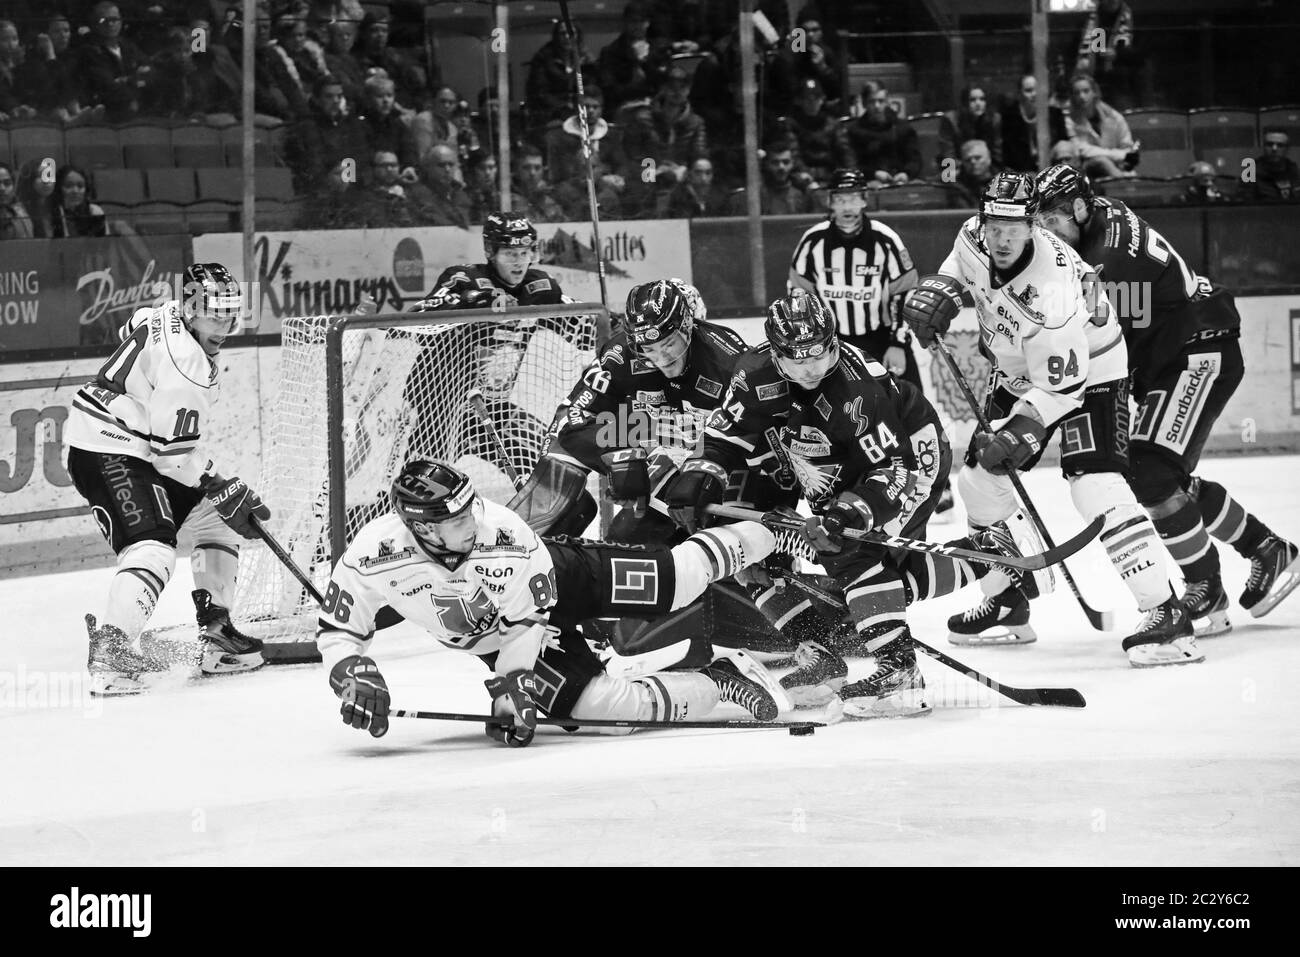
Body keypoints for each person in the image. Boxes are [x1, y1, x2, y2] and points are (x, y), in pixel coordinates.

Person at [664, 291, 1004, 717]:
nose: (812, 367)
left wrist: (849, 513)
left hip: (912, 454)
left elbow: (894, 469)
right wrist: (701, 475)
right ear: (775, 351)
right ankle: (818, 654)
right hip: (825, 461)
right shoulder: (753, 373)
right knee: (754, 553)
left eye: (821, 353)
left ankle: (902, 671)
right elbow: (723, 437)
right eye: (798, 358)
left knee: (856, 553)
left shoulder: (855, 386)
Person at [902, 173, 1194, 668]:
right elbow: (959, 269)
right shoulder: (972, 235)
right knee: (977, 482)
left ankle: (1166, 613)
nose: (1000, 237)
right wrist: (941, 294)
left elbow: (1065, 386)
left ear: (1033, 224)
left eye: (1013, 227)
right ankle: (1009, 595)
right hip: (1017, 371)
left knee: (1095, 484)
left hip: (1092, 373)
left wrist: (1023, 431)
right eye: (994, 223)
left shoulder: (1054, 289)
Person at [319, 459, 784, 745]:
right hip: (496, 641)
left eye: (470, 508)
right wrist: (350, 676)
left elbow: (528, 621)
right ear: (423, 528)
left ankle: (777, 532)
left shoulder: (505, 536)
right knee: (603, 712)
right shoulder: (372, 555)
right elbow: (339, 630)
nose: (473, 523)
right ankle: (717, 682)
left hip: (560, 578)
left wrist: (511, 687)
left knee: (680, 579)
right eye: (458, 519)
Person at [1034, 164, 1299, 633]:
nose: (1046, 234)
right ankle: (1266, 548)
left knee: (1150, 472)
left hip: (1198, 351)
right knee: (1160, 474)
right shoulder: (1100, 218)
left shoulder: (1102, 262)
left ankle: (1205, 586)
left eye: (1052, 221)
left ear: (1078, 208)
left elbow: (1087, 346)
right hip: (1177, 353)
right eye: (1039, 224)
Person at [64, 263, 270, 696]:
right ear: (192, 311)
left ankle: (216, 633)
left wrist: (217, 492)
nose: (227, 325)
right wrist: (219, 483)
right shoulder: (188, 365)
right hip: (106, 448)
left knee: (213, 519)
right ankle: (112, 653)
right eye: (216, 314)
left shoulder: (162, 312)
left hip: (127, 440)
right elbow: (173, 457)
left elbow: (131, 326)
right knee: (153, 547)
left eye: (231, 313)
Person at [788, 168, 920, 386]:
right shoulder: (812, 242)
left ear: (865, 200)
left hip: (883, 341)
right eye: (840, 200)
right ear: (830, 202)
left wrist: (899, 343)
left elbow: (906, 293)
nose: (847, 207)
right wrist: (811, 348)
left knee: (911, 408)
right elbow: (799, 297)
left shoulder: (886, 240)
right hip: (831, 346)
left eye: (854, 199)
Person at [835, 83, 920, 187]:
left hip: (901, 183)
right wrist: (873, 174)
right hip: (868, 184)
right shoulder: (854, 131)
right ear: (864, 104)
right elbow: (851, 166)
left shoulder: (903, 128)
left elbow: (915, 160)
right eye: (872, 101)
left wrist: (906, 174)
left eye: (881, 101)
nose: (877, 106)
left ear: (887, 102)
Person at [1060, 72, 1138, 180]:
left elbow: (1127, 147)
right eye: (1076, 93)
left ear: (1094, 92)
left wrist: (1121, 157)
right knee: (1102, 161)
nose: (1082, 96)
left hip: (1118, 164)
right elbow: (1082, 150)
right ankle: (1121, 181)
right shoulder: (1069, 120)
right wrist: (1117, 155)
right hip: (1086, 167)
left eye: (1086, 91)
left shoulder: (1114, 116)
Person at [1000, 73, 1067, 174]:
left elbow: (1063, 144)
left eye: (1037, 89)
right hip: (1021, 171)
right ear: (1019, 94)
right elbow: (1009, 155)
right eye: (1028, 90)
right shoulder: (1009, 118)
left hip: (1052, 169)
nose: (1034, 94)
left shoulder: (1055, 114)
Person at [50, 165, 106, 238]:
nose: (75, 191)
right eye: (68, 186)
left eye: (80, 186)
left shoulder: (94, 211)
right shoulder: (53, 212)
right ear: (59, 188)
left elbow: (102, 244)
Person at [1249, 129, 1299, 203]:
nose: (1274, 149)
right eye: (1269, 144)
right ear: (1263, 147)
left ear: (1287, 149)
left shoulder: (1295, 173)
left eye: (1280, 145)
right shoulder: (1250, 174)